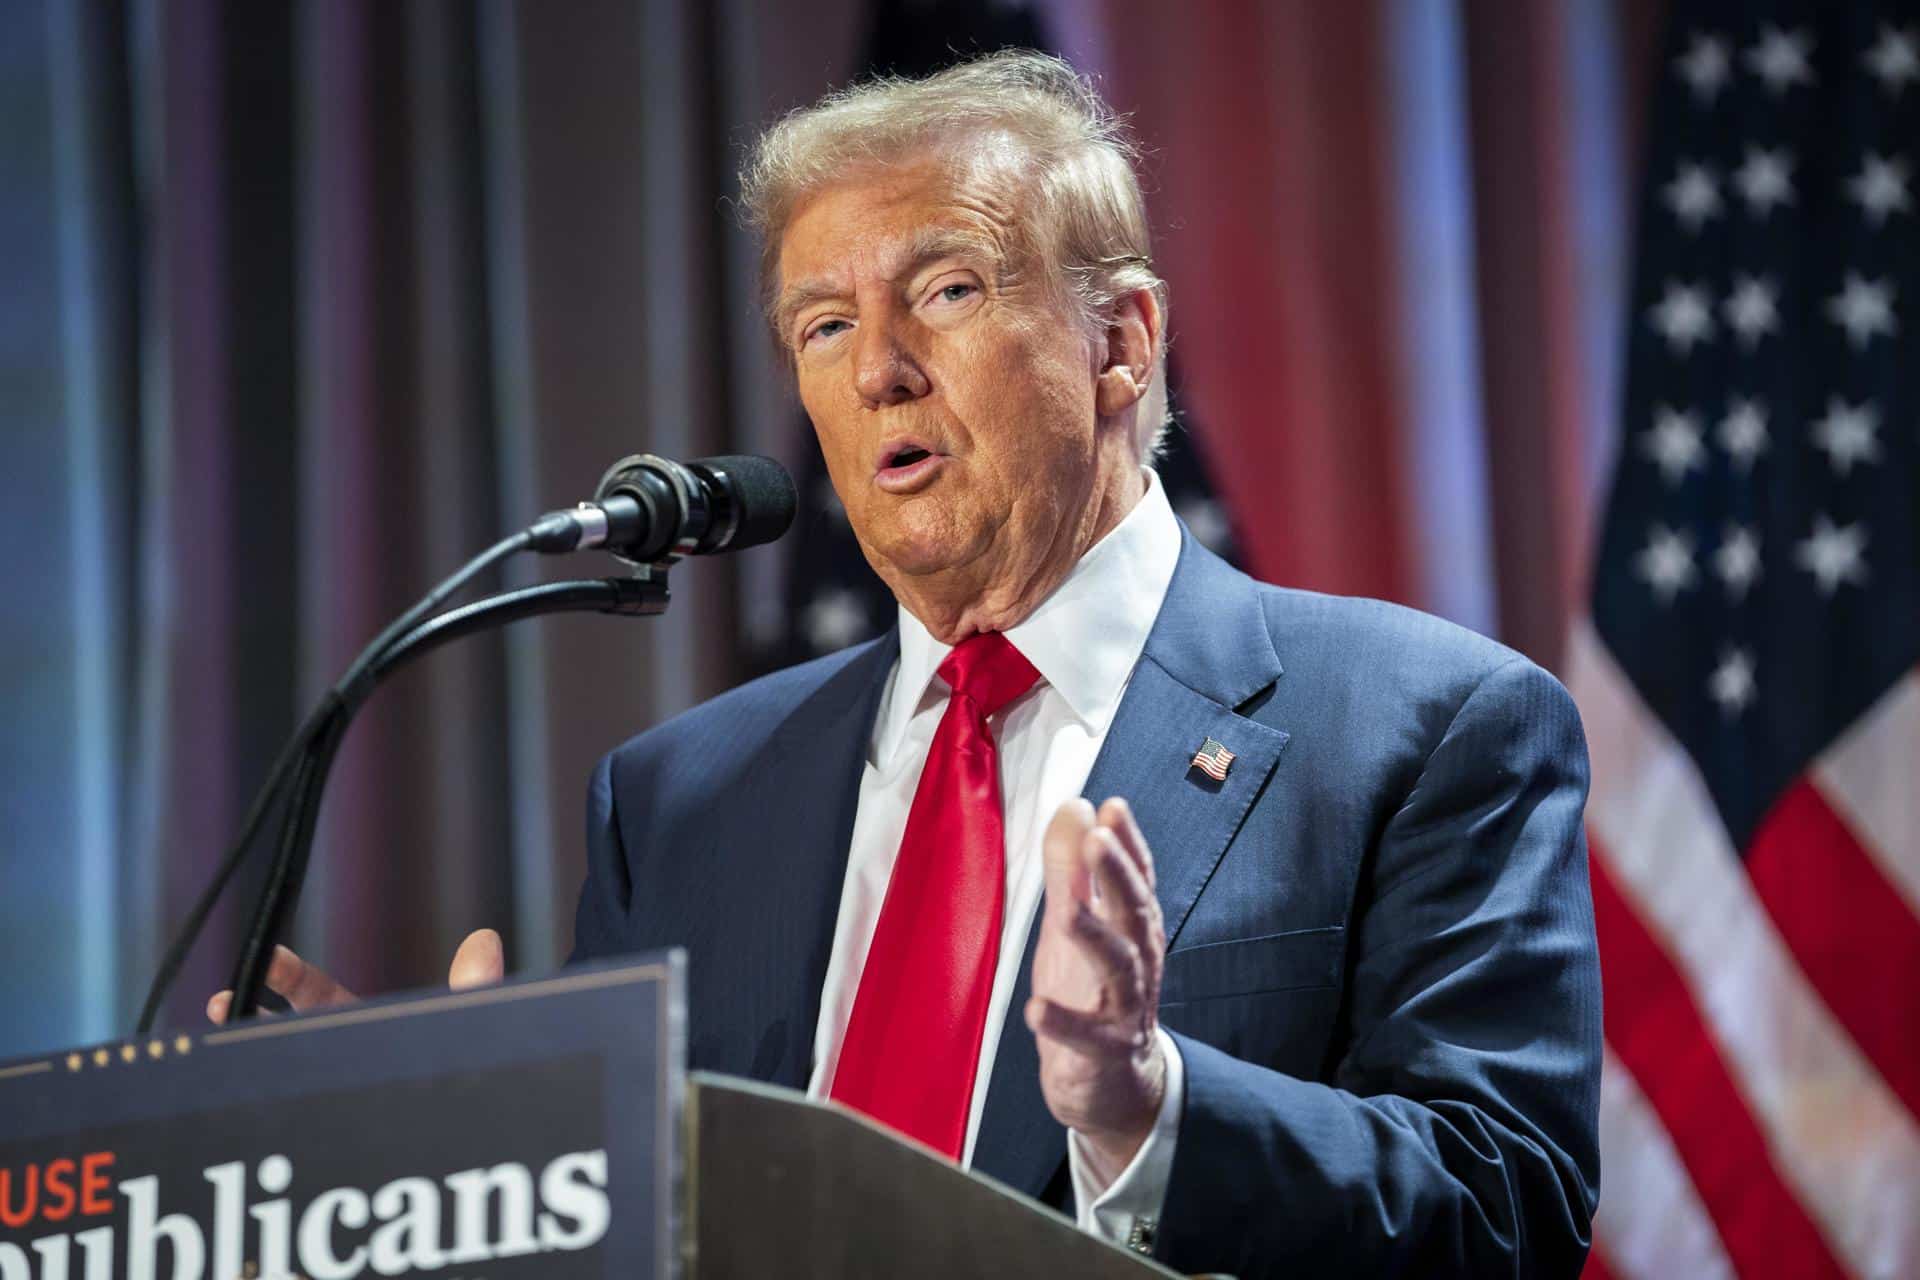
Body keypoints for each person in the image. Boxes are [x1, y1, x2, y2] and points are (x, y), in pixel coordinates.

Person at [214, 51, 1601, 1276]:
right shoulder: (679, 800)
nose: (878, 368)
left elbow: (1509, 1206)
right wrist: (466, 1155)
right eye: (823, 326)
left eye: (945, 288)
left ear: (1121, 343)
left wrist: (1143, 1105)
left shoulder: (1425, 727)